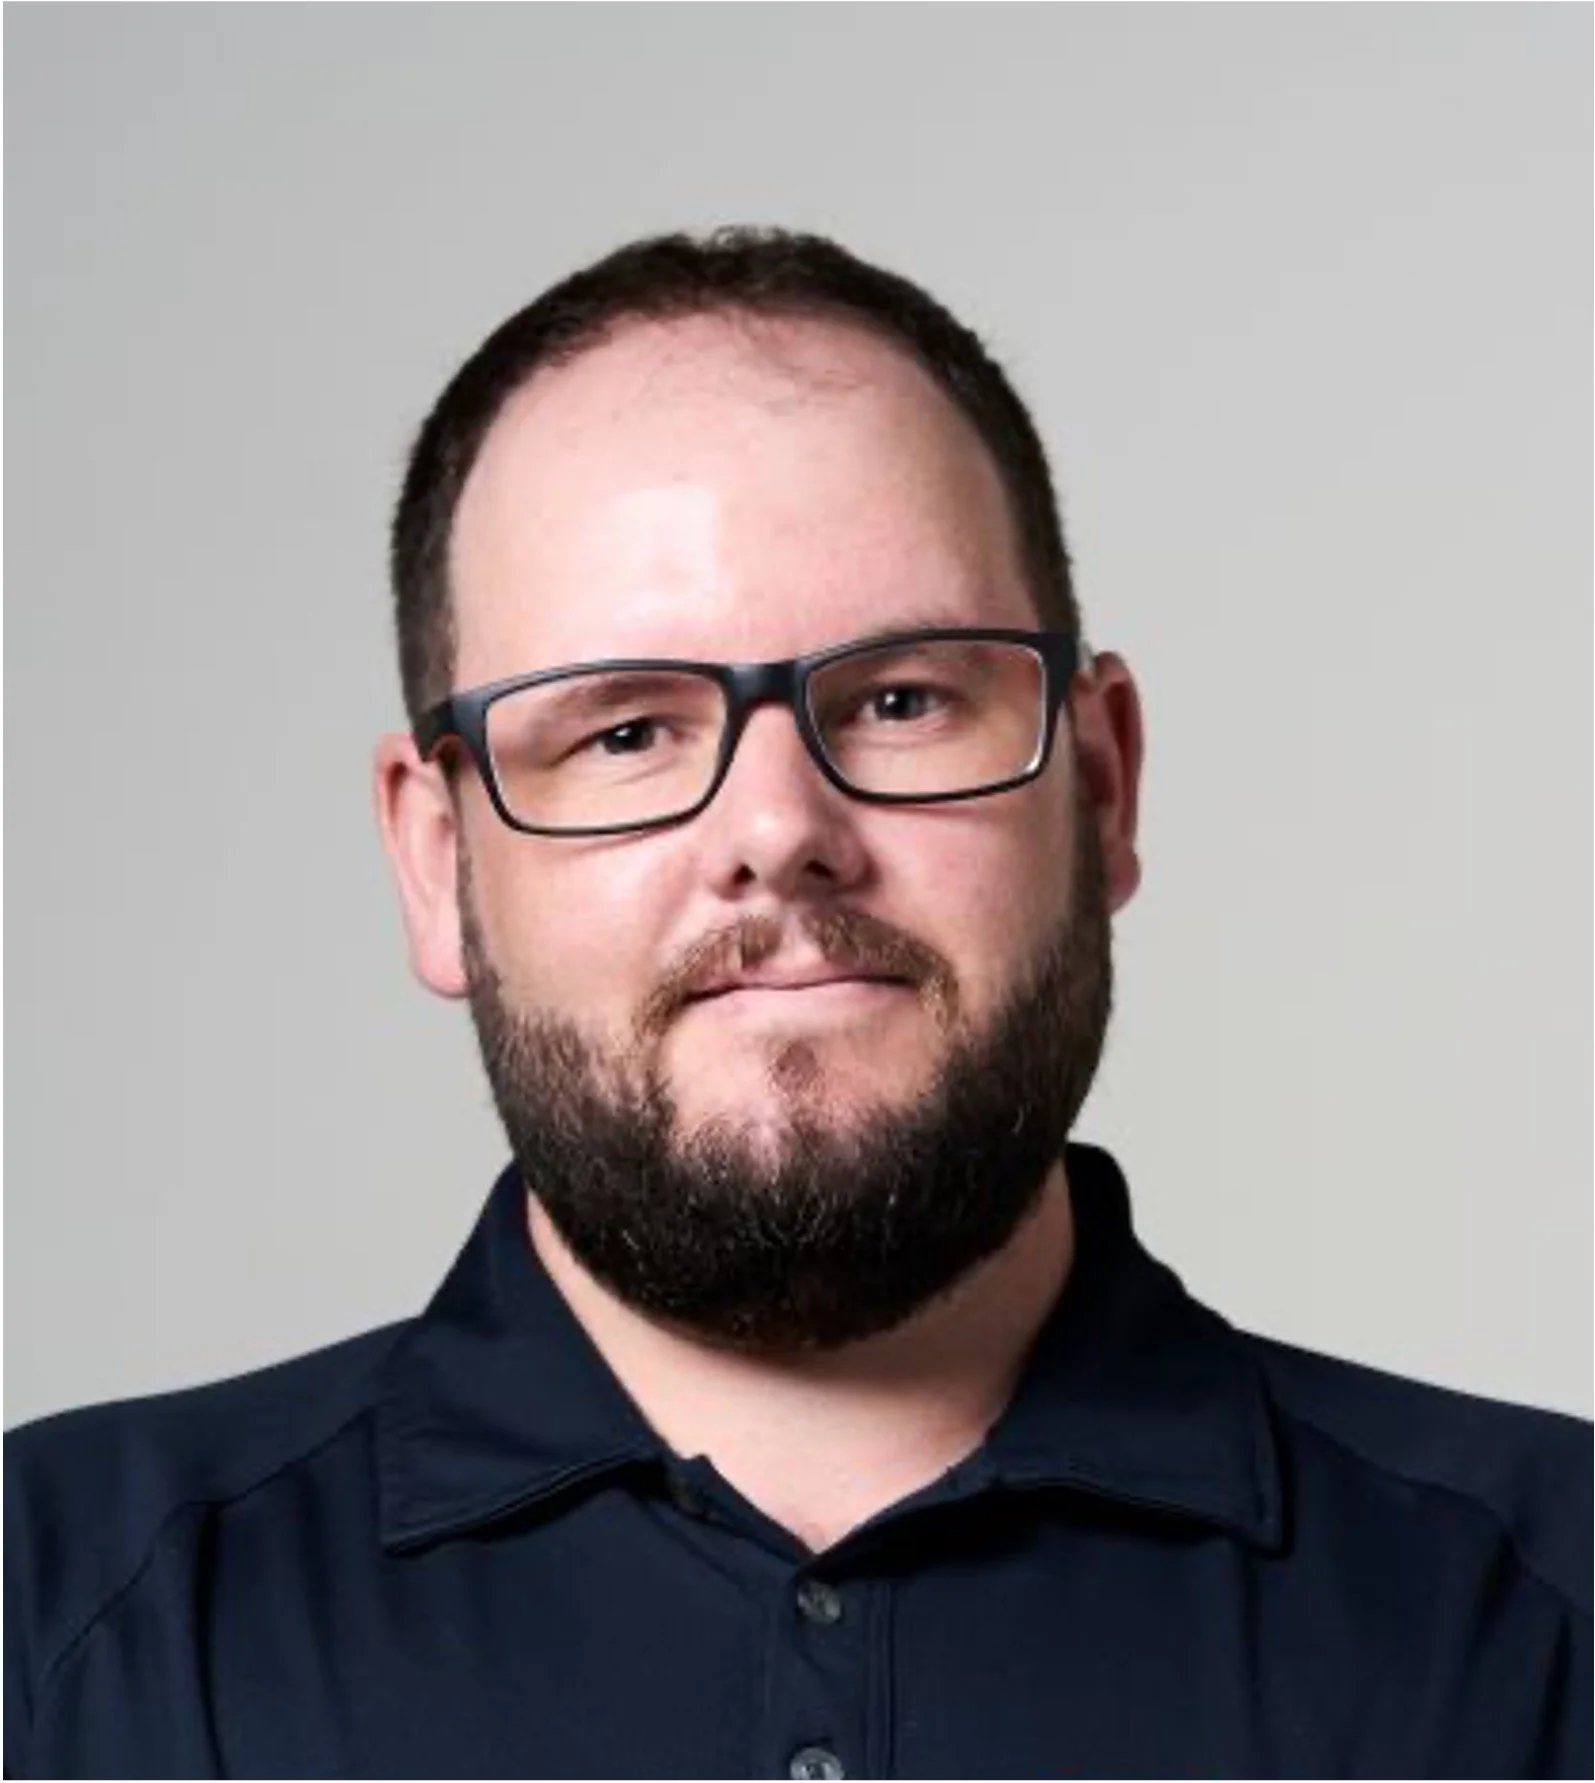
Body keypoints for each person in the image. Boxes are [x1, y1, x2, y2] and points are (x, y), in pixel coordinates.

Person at [5, 227, 1588, 1781]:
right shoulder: (54, 1623)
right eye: (623, 731)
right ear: (437, 860)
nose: (776, 831)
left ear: (1100, 785)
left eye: (900, 700)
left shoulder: (1552, 1619)